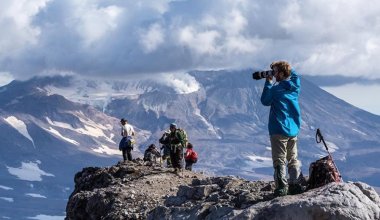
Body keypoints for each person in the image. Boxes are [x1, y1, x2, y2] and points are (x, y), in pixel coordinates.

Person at [260, 61, 302, 196]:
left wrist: (268, 81)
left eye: (276, 71)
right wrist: (288, 69)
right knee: (293, 158)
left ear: (282, 73)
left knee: (279, 159)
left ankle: (282, 188)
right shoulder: (295, 87)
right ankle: (295, 185)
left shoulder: (276, 89)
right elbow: (295, 77)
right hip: (293, 129)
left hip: (278, 129)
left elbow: (265, 101)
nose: (274, 74)